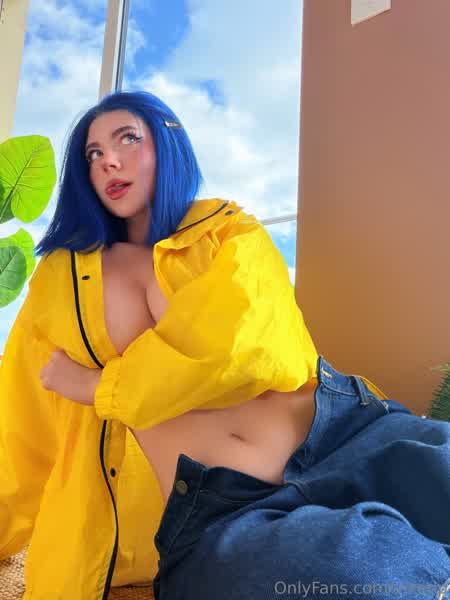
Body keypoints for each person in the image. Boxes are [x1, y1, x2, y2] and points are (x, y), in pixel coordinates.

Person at [0, 90, 449, 600]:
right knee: (352, 576)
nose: (109, 162)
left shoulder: (228, 228)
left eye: (127, 139)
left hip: (340, 432)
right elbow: (22, 430)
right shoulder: (61, 277)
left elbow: (241, 347)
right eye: (93, 153)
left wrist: (99, 387)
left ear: (168, 144)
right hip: (222, 510)